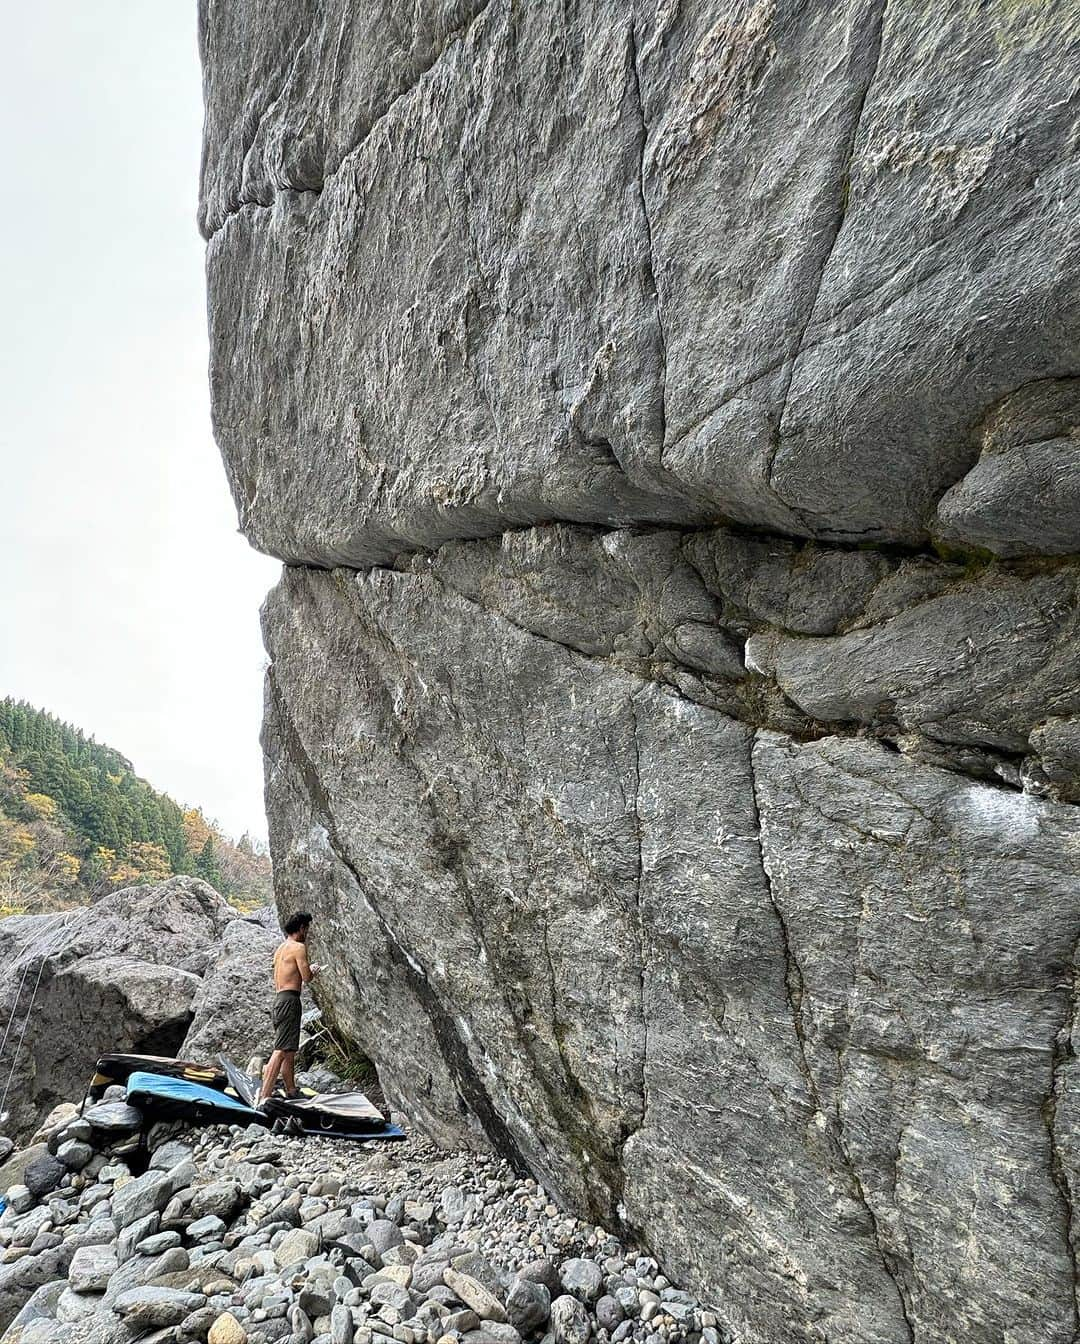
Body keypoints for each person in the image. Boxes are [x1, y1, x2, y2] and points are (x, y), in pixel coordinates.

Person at [258, 910, 323, 1104]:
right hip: (290, 1000)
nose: (307, 933)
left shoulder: (281, 949)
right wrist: (314, 970)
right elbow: (306, 977)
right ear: (301, 928)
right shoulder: (298, 947)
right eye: (307, 929)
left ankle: (291, 1090)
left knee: (289, 1050)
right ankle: (264, 1096)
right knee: (280, 1050)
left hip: (279, 999)